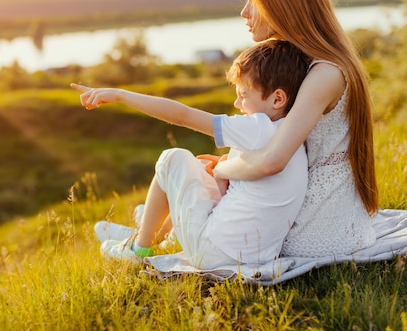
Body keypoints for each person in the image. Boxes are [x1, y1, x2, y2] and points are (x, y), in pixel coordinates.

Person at [71, 39, 310, 268]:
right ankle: (153, 232)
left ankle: (138, 248)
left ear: (277, 98)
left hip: (214, 253)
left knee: (172, 159)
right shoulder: (290, 134)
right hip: (253, 254)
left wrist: (120, 95)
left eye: (244, 96)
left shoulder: (257, 127)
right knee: (199, 168)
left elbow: (181, 116)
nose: (237, 104)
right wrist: (225, 162)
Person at [212, 0, 379, 257]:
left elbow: (272, 161)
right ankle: (150, 226)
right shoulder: (307, 61)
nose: (244, 13)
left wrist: (223, 169)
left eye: (254, 1)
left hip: (313, 229)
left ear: (282, 4)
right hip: (301, 210)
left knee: (203, 177)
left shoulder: (325, 73)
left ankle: (146, 236)